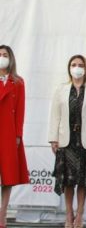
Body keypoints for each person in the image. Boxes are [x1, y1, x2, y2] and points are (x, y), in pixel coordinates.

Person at [48, 55, 86, 228]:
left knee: (84, 180)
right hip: (66, 141)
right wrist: (53, 139)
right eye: (74, 64)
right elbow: (54, 115)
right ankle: (68, 214)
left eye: (80, 65)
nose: (77, 68)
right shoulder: (61, 89)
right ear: (69, 68)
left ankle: (79, 215)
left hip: (85, 141)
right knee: (68, 180)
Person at [0, 45, 29, 228]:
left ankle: (2, 213)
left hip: (9, 134)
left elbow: (20, 110)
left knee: (8, 176)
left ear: (11, 58)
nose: (2, 57)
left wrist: (18, 134)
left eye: (5, 55)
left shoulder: (18, 82)